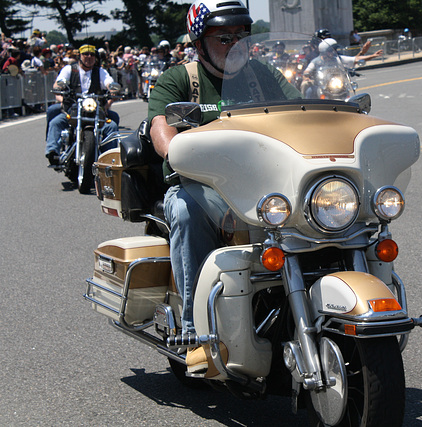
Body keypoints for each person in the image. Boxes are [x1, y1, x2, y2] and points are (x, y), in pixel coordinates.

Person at [147, 0, 300, 374]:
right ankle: (194, 332)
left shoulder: (262, 75)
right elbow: (159, 127)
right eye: (224, 38)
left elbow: (302, 111)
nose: (236, 45)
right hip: (203, 186)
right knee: (184, 209)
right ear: (199, 43)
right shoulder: (180, 79)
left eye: (241, 36)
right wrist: (173, 147)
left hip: (265, 183)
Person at [44, 44, 120, 165]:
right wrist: (60, 88)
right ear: (80, 56)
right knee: (56, 122)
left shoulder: (100, 71)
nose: (89, 57)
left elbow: (109, 82)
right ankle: (53, 153)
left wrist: (112, 90)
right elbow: (58, 84)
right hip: (73, 109)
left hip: (95, 111)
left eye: (92, 55)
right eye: (85, 54)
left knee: (112, 126)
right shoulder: (69, 69)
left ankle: (110, 160)